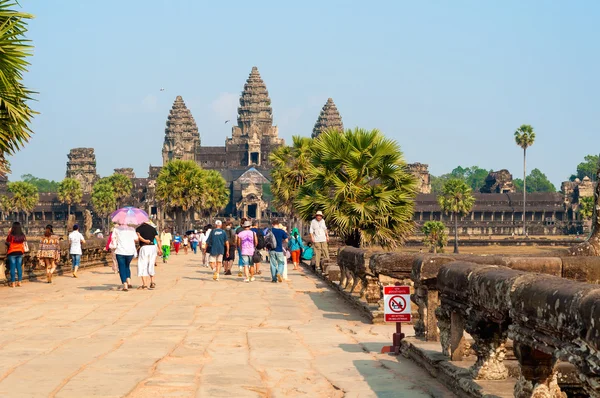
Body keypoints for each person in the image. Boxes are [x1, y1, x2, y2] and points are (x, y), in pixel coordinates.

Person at [136, 220, 162, 289]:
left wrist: (144, 241)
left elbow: (138, 237)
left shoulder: (139, 228)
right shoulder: (152, 228)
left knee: (143, 265)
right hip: (153, 247)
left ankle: (144, 284)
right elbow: (158, 239)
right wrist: (160, 249)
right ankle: (152, 282)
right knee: (151, 264)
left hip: (144, 247)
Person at [113, 222, 138, 291]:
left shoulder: (116, 229)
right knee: (127, 265)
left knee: (121, 267)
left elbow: (113, 238)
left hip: (120, 251)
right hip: (130, 251)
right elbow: (136, 239)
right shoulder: (132, 229)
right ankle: (129, 281)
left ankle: (125, 285)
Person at [6, 221, 26, 287]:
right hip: (20, 251)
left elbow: (7, 241)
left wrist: (9, 232)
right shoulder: (22, 235)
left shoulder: (11, 235)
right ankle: (20, 282)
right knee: (19, 267)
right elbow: (24, 241)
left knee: (12, 267)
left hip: (12, 252)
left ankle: (13, 283)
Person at [268, 219, 288, 283]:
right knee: (281, 263)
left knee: (273, 264)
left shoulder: (270, 231)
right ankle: (279, 273)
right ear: (278, 224)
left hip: (271, 250)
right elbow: (287, 240)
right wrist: (281, 241)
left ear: (272, 224)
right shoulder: (281, 231)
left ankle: (274, 279)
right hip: (279, 250)